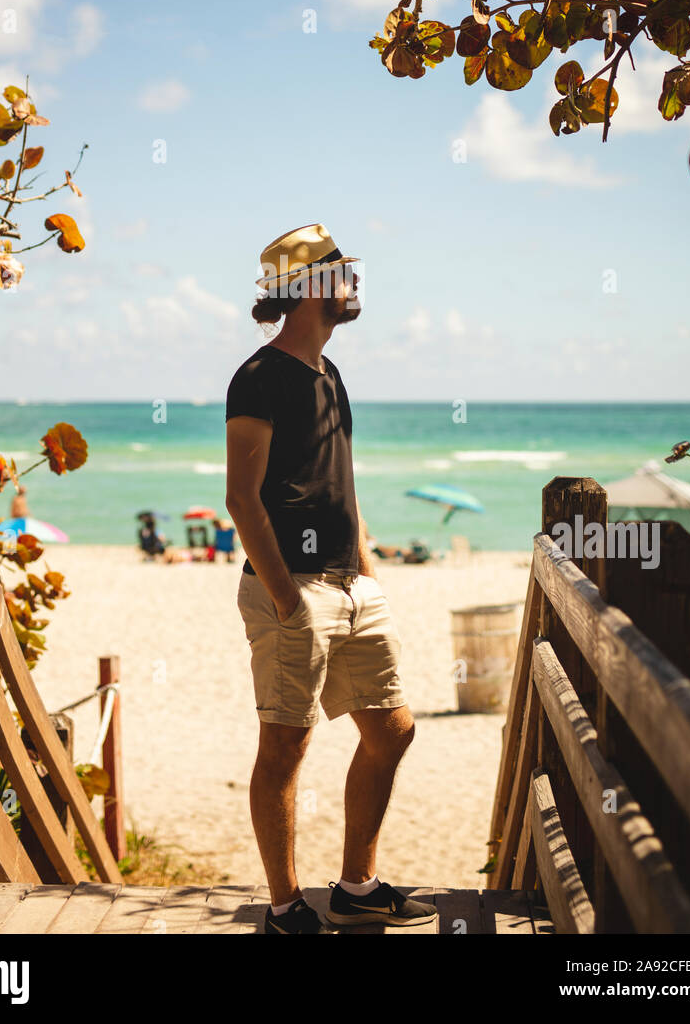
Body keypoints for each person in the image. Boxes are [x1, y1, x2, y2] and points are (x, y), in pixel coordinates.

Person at [225, 222, 434, 936]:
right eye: (342, 272)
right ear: (311, 285)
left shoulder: (332, 374)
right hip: (292, 590)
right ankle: (285, 906)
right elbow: (242, 499)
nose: (353, 283)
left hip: (352, 587)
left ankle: (356, 886)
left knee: (394, 732)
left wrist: (368, 578)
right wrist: (288, 598)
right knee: (286, 746)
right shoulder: (257, 377)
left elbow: (340, 485)